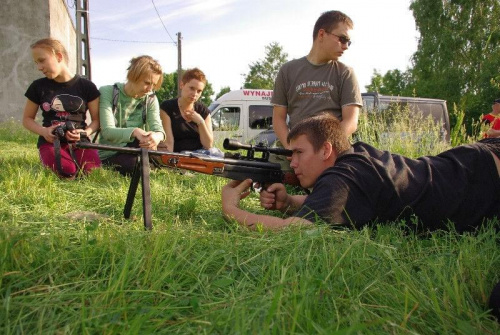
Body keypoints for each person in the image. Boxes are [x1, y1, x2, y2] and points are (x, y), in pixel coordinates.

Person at [221, 113, 500, 232]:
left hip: (484, 174)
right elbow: (340, 201)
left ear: (326, 150)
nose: (292, 162)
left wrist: (233, 210)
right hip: (474, 161)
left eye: (298, 153)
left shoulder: (344, 176)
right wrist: (290, 202)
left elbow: (296, 232)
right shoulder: (354, 158)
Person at [271, 10, 362, 150]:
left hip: (333, 153)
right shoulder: (287, 71)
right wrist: (291, 148)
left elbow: (351, 122)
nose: (346, 46)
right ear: (321, 34)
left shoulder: (345, 73)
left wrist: (324, 150)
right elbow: (278, 119)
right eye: (342, 39)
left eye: (348, 42)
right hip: (294, 152)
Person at [22, 38, 101, 178]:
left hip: (80, 142)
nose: (39, 67)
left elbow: (96, 120)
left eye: (42, 60)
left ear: (59, 56)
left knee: (92, 173)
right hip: (51, 142)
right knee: (66, 172)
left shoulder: (87, 87)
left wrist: (85, 133)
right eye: (36, 63)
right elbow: (27, 119)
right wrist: (44, 131)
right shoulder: (38, 87)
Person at [98, 55, 166, 175]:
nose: (150, 89)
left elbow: (158, 129)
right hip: (112, 151)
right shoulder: (107, 92)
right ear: (133, 75)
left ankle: (156, 165)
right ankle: (152, 166)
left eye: (154, 85)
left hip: (139, 145)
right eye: (147, 83)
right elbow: (107, 131)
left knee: (166, 153)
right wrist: (135, 132)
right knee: (135, 165)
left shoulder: (150, 98)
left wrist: (156, 137)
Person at [159, 68, 216, 154]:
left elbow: (208, 145)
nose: (195, 94)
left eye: (199, 91)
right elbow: (169, 142)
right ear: (182, 85)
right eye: (192, 88)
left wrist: (200, 122)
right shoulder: (167, 108)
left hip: (202, 154)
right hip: (180, 155)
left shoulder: (203, 111)